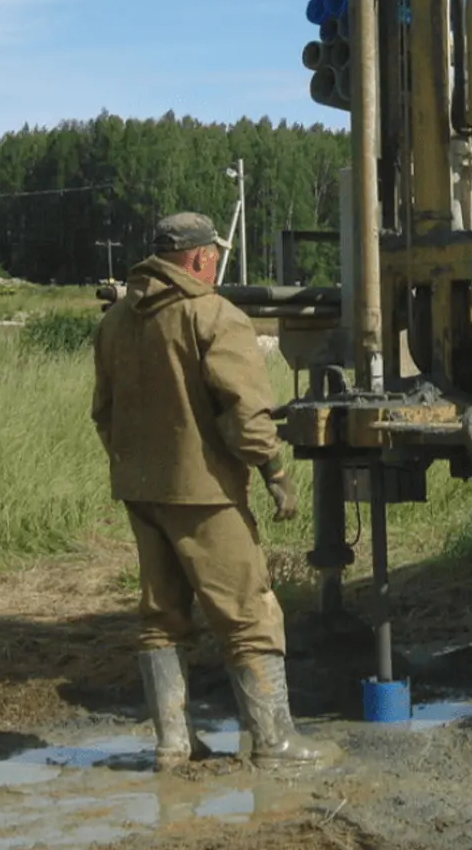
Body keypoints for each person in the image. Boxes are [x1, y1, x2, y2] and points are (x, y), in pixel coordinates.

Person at [91, 211, 332, 772]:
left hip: (139, 489)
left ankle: (173, 745)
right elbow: (247, 415)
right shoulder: (215, 316)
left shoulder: (117, 321)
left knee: (160, 617)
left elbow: (103, 414)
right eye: (215, 257)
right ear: (200, 259)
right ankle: (274, 743)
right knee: (249, 613)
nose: (218, 264)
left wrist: (137, 467)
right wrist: (275, 471)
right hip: (205, 495)